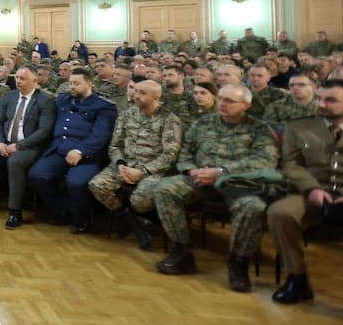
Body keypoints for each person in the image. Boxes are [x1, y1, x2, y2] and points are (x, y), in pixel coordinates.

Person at [152, 84, 279, 292]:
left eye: (229, 101)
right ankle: (182, 252)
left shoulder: (259, 129)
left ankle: (238, 263)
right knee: (165, 189)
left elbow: (265, 161)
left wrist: (222, 171)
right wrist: (191, 171)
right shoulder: (203, 123)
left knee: (252, 206)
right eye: (220, 98)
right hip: (200, 179)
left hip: (239, 183)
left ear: (246, 105)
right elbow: (185, 152)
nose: (222, 104)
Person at [267, 81, 343, 303]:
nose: (321, 104)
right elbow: (291, 164)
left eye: (331, 100)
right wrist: (312, 189)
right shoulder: (299, 126)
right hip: (312, 189)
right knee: (280, 213)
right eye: (319, 98)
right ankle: (297, 278)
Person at [87, 80, 182, 248]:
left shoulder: (169, 119)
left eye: (142, 93)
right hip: (125, 165)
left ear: (156, 96)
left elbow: (170, 155)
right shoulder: (127, 115)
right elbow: (115, 145)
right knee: (96, 185)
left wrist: (143, 171)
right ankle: (134, 221)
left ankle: (136, 221)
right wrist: (121, 164)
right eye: (135, 91)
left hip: (154, 170)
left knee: (140, 201)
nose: (136, 95)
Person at [27, 67, 118, 233]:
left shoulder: (103, 107)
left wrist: (80, 151)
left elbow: (101, 135)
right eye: (70, 83)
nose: (72, 87)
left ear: (90, 84)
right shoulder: (63, 99)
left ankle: (80, 219)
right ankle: (62, 211)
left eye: (77, 83)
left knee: (76, 183)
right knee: (37, 175)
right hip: (59, 148)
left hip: (86, 153)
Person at [0, 65, 57, 229]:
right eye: (17, 78)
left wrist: (19, 146)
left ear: (35, 81)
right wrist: (0, 142)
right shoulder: (9, 96)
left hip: (29, 146)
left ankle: (15, 211)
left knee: (14, 162)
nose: (18, 81)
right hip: (5, 143)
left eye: (23, 79)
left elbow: (44, 131)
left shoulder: (45, 100)